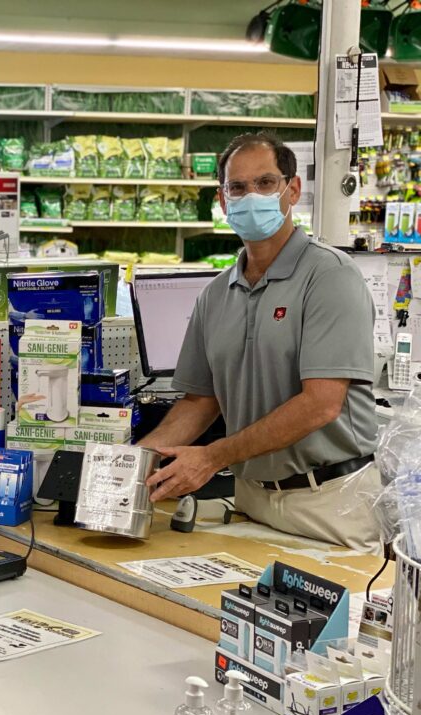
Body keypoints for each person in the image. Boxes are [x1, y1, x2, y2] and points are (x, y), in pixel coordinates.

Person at [140, 132, 382, 552]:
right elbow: (201, 401)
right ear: (222, 199)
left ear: (293, 190)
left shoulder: (330, 277)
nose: (251, 196)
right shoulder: (215, 294)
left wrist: (213, 457)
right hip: (251, 498)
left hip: (329, 501)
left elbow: (320, 404)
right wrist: (131, 460)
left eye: (265, 183)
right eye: (238, 187)